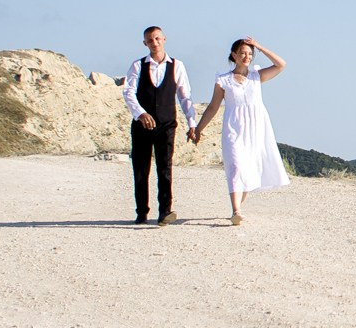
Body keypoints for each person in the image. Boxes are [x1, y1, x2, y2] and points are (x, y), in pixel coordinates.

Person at [189, 37, 288, 225]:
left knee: (249, 169)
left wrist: (259, 46)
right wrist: (199, 128)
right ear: (234, 55)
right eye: (243, 53)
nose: (247, 56)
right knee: (235, 165)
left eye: (250, 54)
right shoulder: (223, 80)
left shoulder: (257, 76)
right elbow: (213, 107)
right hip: (233, 128)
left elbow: (281, 64)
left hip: (256, 128)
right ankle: (236, 210)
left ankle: (238, 207)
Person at [121, 25, 197, 225]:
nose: (154, 43)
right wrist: (140, 113)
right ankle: (142, 212)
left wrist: (192, 122)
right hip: (141, 125)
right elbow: (128, 92)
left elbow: (184, 96)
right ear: (145, 43)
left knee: (165, 167)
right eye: (149, 40)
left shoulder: (177, 66)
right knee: (140, 168)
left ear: (164, 39)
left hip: (166, 124)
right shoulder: (137, 66)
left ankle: (165, 211)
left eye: (157, 38)